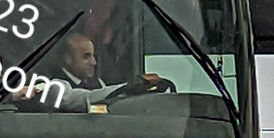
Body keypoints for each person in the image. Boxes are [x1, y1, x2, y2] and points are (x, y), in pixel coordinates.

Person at [23, 32, 171, 114]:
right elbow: (82, 99)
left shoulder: (97, 83)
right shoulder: (52, 86)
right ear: (68, 58)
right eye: (86, 56)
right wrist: (131, 86)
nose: (93, 62)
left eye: (93, 56)